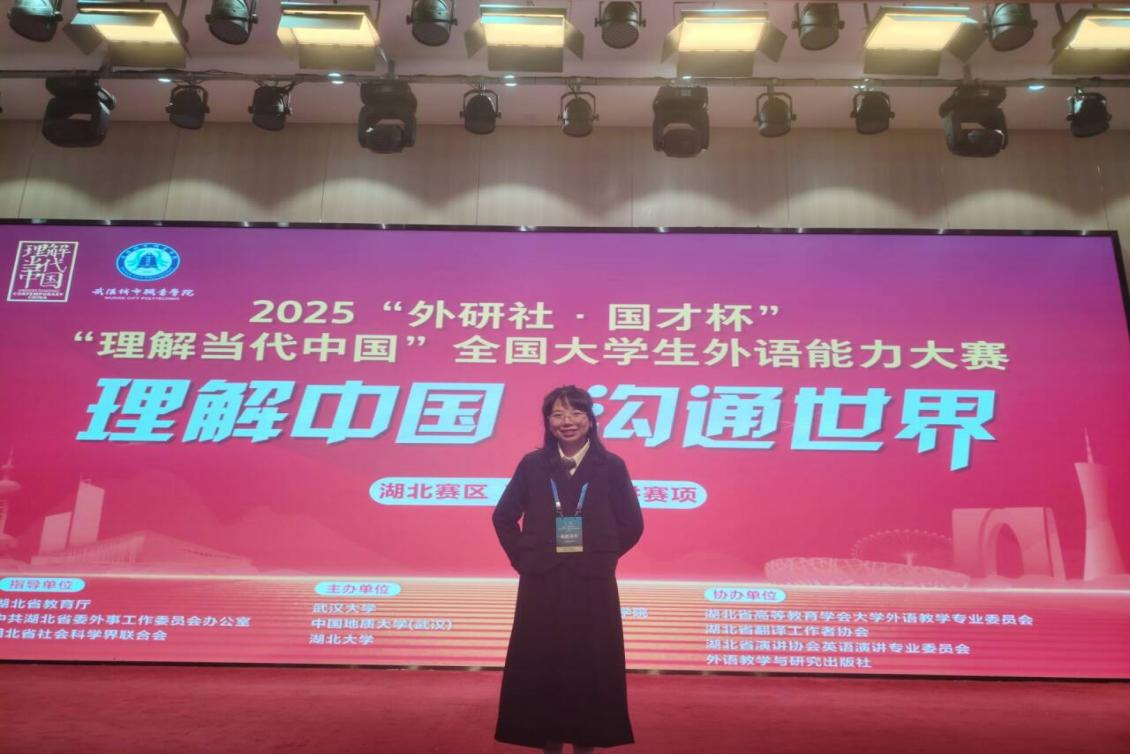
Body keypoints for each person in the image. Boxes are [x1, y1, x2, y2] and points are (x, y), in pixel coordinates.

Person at [493, 385, 644, 753]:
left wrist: (602, 556)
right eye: (558, 414)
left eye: (576, 413)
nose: (567, 421)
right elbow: (503, 516)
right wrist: (525, 559)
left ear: (590, 420)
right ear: (548, 422)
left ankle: (586, 743)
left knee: (590, 663)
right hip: (542, 579)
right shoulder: (533, 464)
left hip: (592, 580)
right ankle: (549, 743)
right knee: (542, 660)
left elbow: (632, 523)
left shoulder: (611, 466)